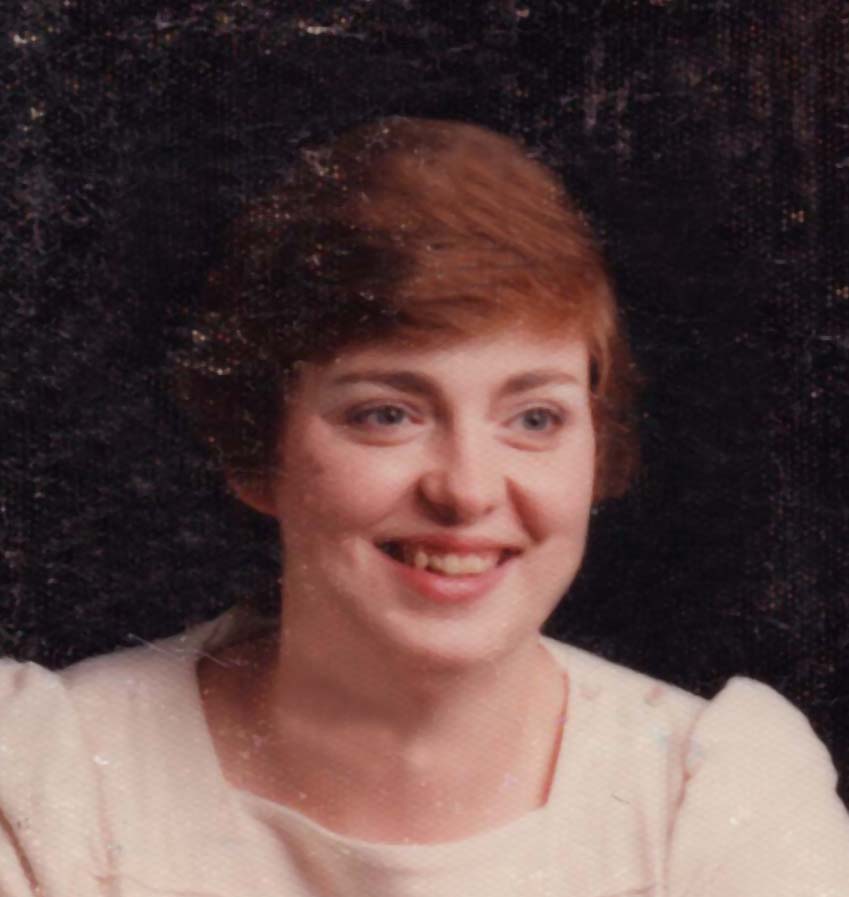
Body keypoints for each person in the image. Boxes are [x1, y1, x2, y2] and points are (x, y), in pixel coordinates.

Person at [1, 117, 847, 897]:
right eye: (387, 414)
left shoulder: (713, 794)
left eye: (534, 418)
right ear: (257, 451)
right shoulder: (47, 776)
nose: (467, 490)